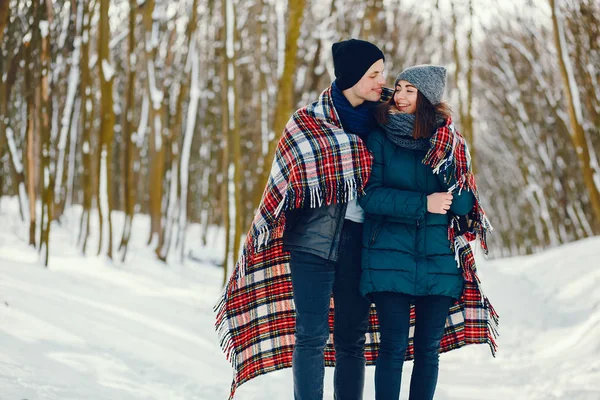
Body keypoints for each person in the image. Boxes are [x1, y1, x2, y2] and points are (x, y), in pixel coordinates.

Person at [215, 39, 386, 400]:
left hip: (362, 243)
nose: (381, 82)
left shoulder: (384, 123)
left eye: (382, 73)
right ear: (353, 76)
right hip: (312, 242)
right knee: (310, 334)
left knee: (351, 339)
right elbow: (281, 185)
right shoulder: (308, 122)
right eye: (374, 74)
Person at [358, 65, 483, 400]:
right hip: (388, 254)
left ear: (426, 98)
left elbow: (463, 205)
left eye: (409, 90)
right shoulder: (380, 136)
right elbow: (369, 196)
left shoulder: (450, 143)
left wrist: (448, 170)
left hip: (438, 259)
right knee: (393, 347)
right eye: (397, 88)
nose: (398, 96)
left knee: (429, 350)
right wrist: (423, 203)